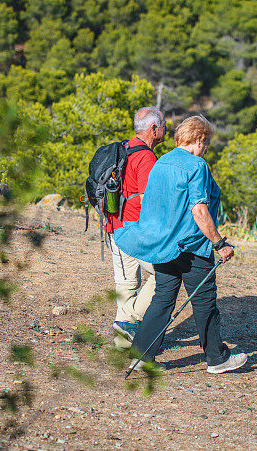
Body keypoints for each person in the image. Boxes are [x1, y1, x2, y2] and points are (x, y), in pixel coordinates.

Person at [114, 115, 247, 374]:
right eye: (206, 142)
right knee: (204, 300)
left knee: (162, 299)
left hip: (164, 245)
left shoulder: (162, 162)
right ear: (198, 139)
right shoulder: (197, 165)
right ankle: (217, 359)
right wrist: (219, 243)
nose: (206, 148)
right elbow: (199, 210)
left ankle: (142, 356)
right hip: (191, 245)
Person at [107, 106, 165, 348]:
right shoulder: (146, 157)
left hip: (113, 225)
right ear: (154, 128)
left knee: (126, 283)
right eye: (164, 127)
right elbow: (147, 200)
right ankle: (128, 321)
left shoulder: (123, 149)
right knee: (163, 276)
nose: (166, 131)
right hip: (135, 230)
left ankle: (123, 341)